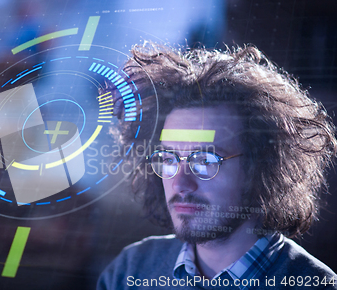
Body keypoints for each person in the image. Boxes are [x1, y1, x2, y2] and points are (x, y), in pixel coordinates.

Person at [97, 43, 337, 289]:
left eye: (204, 161)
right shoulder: (130, 271)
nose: (180, 183)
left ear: (262, 168)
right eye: (168, 159)